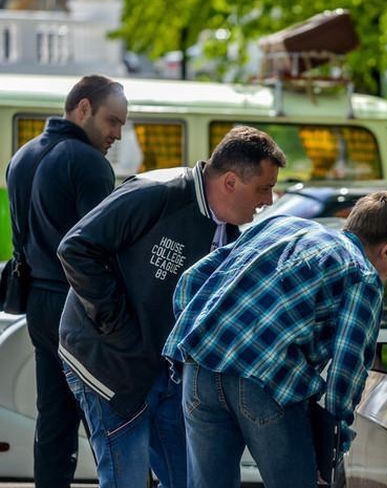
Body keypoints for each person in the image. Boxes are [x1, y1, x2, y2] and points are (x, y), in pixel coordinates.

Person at [57, 126, 286, 487]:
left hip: (164, 369)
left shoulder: (229, 230)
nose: (269, 200)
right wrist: (121, 331)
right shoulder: (155, 192)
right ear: (230, 182)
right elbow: (75, 248)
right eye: (263, 188)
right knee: (126, 479)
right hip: (107, 361)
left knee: (189, 479)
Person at [163, 191, 387, 488]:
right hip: (267, 379)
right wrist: (332, 440)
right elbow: (347, 369)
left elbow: (192, 279)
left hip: (200, 366)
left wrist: (194, 335)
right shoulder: (361, 273)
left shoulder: (278, 226)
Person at [5, 74, 127, 488]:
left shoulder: (22, 156)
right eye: (113, 121)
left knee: (54, 415)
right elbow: (101, 249)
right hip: (79, 305)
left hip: (37, 300)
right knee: (110, 417)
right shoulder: (88, 163)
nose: (117, 135)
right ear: (83, 108)